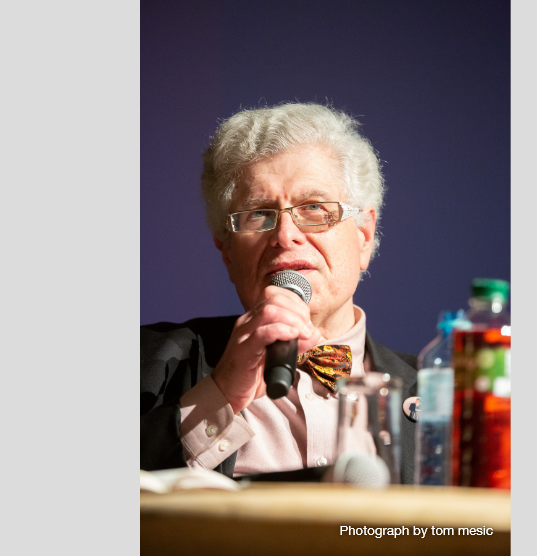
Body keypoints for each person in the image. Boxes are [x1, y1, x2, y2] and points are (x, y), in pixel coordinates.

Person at [140, 103, 419, 483]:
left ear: (364, 237)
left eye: (314, 207)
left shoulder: (444, 393)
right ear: (227, 253)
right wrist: (219, 396)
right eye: (258, 213)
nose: (285, 235)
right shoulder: (145, 361)